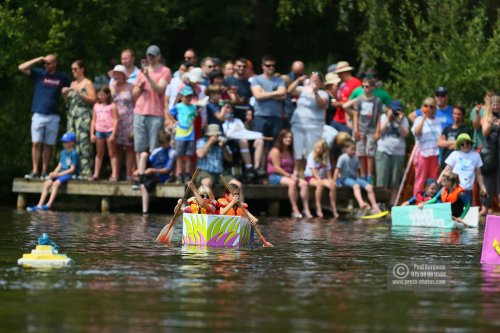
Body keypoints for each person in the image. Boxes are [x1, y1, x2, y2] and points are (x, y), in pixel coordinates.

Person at [19, 54, 71, 179]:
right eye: (45, 63)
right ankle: (35, 170)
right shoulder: (39, 74)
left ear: (55, 64)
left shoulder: (61, 77)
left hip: (53, 116)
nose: (46, 65)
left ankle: (44, 171)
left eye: (49, 63)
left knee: (48, 145)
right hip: (38, 114)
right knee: (36, 143)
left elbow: (68, 93)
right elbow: (21, 67)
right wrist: (38, 59)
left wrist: (66, 96)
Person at [132, 45, 172, 190]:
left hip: (155, 112)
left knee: (154, 147)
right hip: (139, 111)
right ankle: (140, 176)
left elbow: (160, 89)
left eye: (153, 55)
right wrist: (140, 86)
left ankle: (152, 176)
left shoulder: (165, 71)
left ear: (158, 56)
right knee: (139, 147)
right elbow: (134, 94)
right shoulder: (141, 72)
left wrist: (148, 76)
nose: (150, 58)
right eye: (148, 55)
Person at [288, 72, 329, 175]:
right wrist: (298, 80)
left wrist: (315, 92)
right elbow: (290, 90)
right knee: (297, 148)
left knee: (310, 150)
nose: (313, 81)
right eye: (312, 79)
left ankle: (309, 172)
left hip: (314, 126)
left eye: (316, 80)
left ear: (321, 82)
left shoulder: (323, 93)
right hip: (298, 124)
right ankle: (296, 171)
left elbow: (321, 105)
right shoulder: (302, 90)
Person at [26, 132, 80, 211]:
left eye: (66, 141)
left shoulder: (74, 153)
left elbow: (72, 169)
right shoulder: (63, 153)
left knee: (55, 184)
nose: (64, 143)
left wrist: (58, 174)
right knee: (46, 183)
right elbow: (60, 165)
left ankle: (48, 205)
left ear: (72, 142)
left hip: (70, 174)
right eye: (63, 141)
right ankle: (39, 205)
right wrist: (54, 173)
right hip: (61, 173)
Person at [62, 60, 96, 178]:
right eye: (72, 69)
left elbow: (93, 99)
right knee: (71, 143)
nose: (74, 71)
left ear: (82, 69)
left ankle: (86, 171)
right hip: (72, 117)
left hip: (83, 117)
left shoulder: (88, 83)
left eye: (76, 69)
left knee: (84, 144)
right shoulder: (72, 83)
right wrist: (65, 95)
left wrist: (79, 93)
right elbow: (68, 103)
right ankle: (73, 170)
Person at [344, 78, 383, 183]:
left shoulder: (377, 101)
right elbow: (355, 115)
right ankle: (362, 175)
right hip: (361, 129)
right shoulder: (359, 99)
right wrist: (355, 129)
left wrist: (377, 131)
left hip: (371, 129)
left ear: (373, 87)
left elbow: (379, 117)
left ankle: (369, 176)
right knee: (360, 153)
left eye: (367, 86)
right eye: (363, 86)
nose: (365, 88)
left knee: (370, 154)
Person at [267, 129, 312, 218]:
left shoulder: (291, 151)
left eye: (290, 137)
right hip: (275, 175)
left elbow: (296, 165)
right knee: (292, 183)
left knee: (304, 184)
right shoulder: (275, 150)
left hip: (289, 175)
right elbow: (277, 167)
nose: (289, 139)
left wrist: (295, 173)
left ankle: (306, 209)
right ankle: (294, 209)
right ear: (281, 138)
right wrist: (290, 176)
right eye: (286, 137)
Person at [375, 100, 409, 205]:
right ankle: (380, 203)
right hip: (384, 150)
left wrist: (399, 122)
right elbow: (379, 132)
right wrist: (388, 119)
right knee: (382, 180)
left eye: (397, 110)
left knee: (395, 182)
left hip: (398, 153)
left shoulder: (403, 120)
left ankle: (393, 204)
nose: (395, 112)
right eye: (393, 110)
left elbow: (405, 134)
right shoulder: (383, 118)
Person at [333, 140, 381, 214]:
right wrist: (334, 181)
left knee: (369, 187)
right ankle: (361, 203)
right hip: (345, 179)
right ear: (346, 149)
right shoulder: (342, 158)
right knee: (356, 186)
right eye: (351, 149)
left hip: (354, 178)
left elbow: (357, 170)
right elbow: (337, 169)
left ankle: (374, 205)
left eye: (354, 149)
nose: (353, 151)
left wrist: (360, 179)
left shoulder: (356, 158)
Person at [251, 55, 287, 151]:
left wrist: (264, 93)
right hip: (260, 116)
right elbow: (258, 96)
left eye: (273, 65)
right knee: (259, 143)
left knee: (276, 144)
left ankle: (273, 165)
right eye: (268, 65)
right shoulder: (257, 79)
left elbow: (283, 95)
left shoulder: (280, 80)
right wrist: (276, 93)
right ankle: (259, 165)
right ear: (263, 66)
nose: (271, 67)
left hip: (276, 116)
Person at [438, 133, 487, 203]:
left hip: (468, 189)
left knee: (467, 210)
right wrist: (438, 182)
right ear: (459, 145)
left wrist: (483, 187)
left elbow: (478, 174)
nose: (465, 145)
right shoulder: (455, 154)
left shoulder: (476, 156)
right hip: (455, 188)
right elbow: (447, 169)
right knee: (454, 209)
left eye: (467, 143)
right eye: (462, 144)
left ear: (470, 144)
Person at [139, 131, 176, 214]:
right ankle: (140, 177)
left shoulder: (172, 153)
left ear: (168, 142)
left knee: (143, 187)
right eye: (161, 143)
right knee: (143, 154)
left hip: (160, 175)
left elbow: (167, 169)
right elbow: (150, 162)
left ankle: (145, 212)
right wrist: (140, 170)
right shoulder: (157, 150)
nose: (163, 145)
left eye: (165, 143)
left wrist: (153, 170)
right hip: (151, 172)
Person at [195, 124, 242, 191]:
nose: (216, 137)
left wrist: (224, 148)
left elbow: (230, 159)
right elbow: (200, 155)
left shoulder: (222, 143)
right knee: (206, 183)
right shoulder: (202, 141)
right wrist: (210, 142)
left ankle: (239, 201)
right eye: (213, 136)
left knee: (238, 185)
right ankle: (205, 201)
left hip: (220, 173)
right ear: (208, 135)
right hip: (205, 172)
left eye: (217, 135)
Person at [411, 97, 442, 195]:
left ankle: (431, 199)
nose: (428, 108)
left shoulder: (437, 121)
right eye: (426, 106)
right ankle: (417, 199)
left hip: (434, 152)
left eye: (431, 107)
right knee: (421, 177)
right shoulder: (419, 119)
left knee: (433, 178)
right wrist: (423, 118)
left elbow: (439, 137)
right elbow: (416, 132)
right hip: (422, 152)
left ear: (434, 109)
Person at [168, 86, 198, 183]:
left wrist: (191, 123)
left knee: (189, 155)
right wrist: (175, 121)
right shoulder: (178, 106)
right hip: (180, 135)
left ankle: (187, 175)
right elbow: (170, 113)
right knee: (179, 155)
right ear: (182, 97)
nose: (188, 98)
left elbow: (195, 116)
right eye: (186, 96)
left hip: (190, 135)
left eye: (189, 96)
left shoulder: (193, 107)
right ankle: (180, 174)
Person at [89, 87, 119, 181]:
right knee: (99, 153)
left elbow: (116, 120)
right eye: (99, 94)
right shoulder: (96, 106)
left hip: (109, 130)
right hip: (99, 130)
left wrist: (113, 134)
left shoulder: (112, 106)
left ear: (107, 95)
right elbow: (93, 120)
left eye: (102, 94)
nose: (100, 96)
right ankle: (96, 174)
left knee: (112, 153)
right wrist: (92, 134)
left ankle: (114, 174)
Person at [304, 139, 339, 218]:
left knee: (333, 185)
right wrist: (318, 179)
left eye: (321, 148)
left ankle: (333, 207)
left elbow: (328, 169)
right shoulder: (311, 155)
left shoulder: (325, 157)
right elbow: (313, 169)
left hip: (322, 177)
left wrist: (330, 179)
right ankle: (318, 206)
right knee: (320, 184)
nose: (319, 150)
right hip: (311, 177)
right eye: (317, 148)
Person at [480, 95, 500, 214]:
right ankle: (484, 208)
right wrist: (492, 124)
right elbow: (484, 133)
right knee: (488, 180)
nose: (496, 106)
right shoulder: (486, 116)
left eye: (498, 104)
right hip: (489, 154)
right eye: (494, 104)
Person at [331, 61, 361, 133]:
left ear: (343, 73)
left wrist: (342, 104)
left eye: (339, 73)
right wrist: (334, 94)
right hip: (337, 118)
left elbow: (360, 100)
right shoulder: (342, 84)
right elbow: (339, 99)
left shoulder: (356, 83)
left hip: (347, 119)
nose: (338, 75)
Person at [437, 105, 469, 171]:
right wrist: (453, 142)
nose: (456, 116)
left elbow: (457, 146)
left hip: (458, 165)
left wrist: (446, 144)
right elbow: (439, 143)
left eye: (459, 114)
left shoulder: (465, 130)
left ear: (463, 116)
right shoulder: (446, 129)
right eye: (455, 113)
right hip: (445, 164)